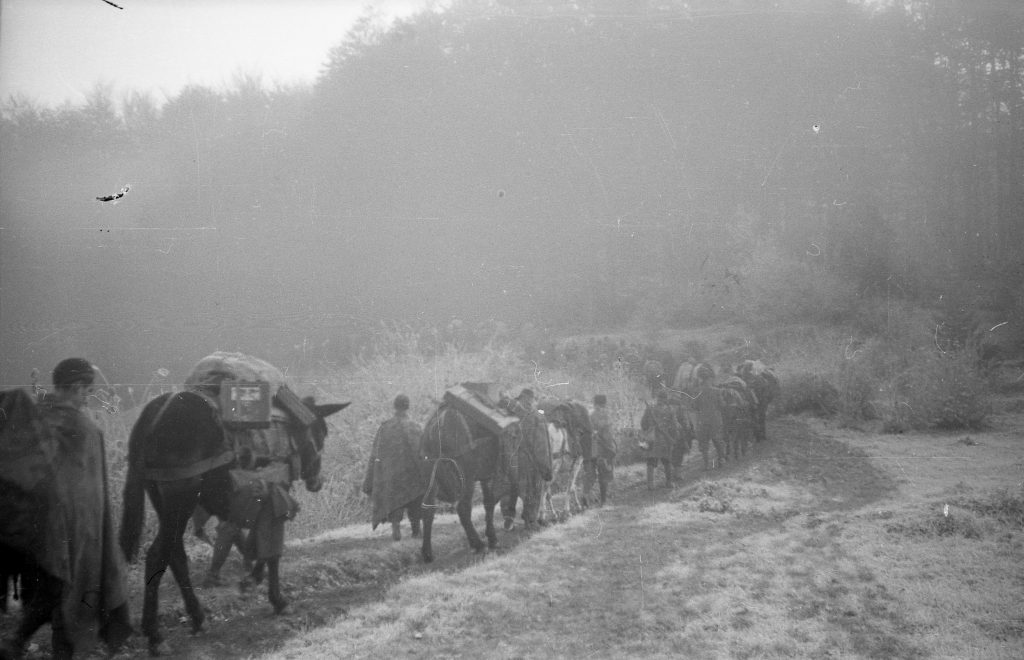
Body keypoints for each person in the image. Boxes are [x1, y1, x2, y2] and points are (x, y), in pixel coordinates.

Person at [1, 358, 132, 659]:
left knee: (52, 592)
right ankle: (19, 642)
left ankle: (18, 642)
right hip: (68, 532)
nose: (87, 399)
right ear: (75, 387)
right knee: (65, 593)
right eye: (87, 392)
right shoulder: (84, 428)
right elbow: (88, 497)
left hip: (29, 532)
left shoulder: (36, 417)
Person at [362, 394, 426, 541]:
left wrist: (371, 480)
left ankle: (395, 529)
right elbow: (421, 452)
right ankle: (416, 531)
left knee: (394, 500)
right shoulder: (414, 427)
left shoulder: (384, 427)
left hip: (392, 475)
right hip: (411, 475)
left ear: (395, 407)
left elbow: (375, 455)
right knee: (415, 499)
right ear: (408, 406)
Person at [500, 388, 553, 531]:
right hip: (529, 462)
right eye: (531, 399)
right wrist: (546, 468)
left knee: (509, 488)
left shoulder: (506, 414)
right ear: (531, 400)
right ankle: (530, 521)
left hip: (508, 459)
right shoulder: (537, 417)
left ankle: (508, 518)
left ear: (520, 398)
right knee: (533, 489)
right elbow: (541, 446)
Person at [640, 389, 681, 489]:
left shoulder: (650, 409)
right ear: (666, 399)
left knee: (651, 461)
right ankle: (669, 482)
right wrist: (674, 436)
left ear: (658, 398)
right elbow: (675, 425)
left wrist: (648, 429)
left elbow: (643, 423)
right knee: (666, 460)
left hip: (651, 437)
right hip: (664, 439)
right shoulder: (670, 410)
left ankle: (650, 484)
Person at [694, 363, 727, 470]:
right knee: (718, 441)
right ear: (709, 379)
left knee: (704, 444)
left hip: (702, 421)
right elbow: (722, 405)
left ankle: (706, 464)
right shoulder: (717, 391)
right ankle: (721, 460)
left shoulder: (697, 392)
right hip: (715, 420)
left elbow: (694, 407)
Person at [587, 394, 617, 506]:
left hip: (592, 448)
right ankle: (603, 500)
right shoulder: (606, 414)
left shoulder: (590, 413)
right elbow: (609, 433)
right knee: (603, 474)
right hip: (604, 448)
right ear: (604, 403)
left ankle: (589, 499)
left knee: (591, 473)